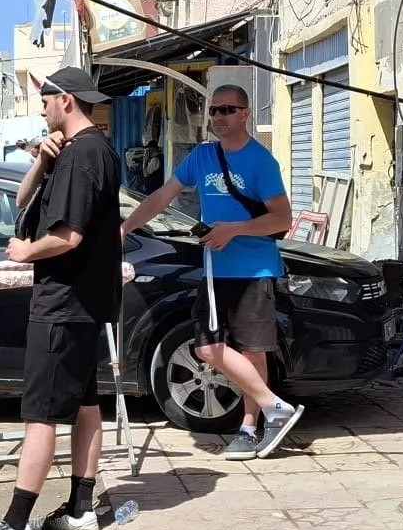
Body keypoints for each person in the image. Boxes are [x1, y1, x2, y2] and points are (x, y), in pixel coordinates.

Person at [0, 67, 123, 530]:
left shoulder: (83, 155)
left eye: (46, 100)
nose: (42, 108)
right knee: (85, 405)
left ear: (65, 100)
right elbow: (22, 200)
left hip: (64, 302)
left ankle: (15, 525)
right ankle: (80, 510)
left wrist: (25, 251)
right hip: (83, 303)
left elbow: (67, 236)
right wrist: (42, 161)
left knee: (41, 415)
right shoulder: (85, 151)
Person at [121, 84, 302, 458]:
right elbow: (162, 196)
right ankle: (275, 407)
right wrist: (125, 227)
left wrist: (233, 230)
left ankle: (250, 429)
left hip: (254, 269)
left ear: (245, 114)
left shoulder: (260, 161)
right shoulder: (202, 157)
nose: (219, 117)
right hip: (214, 270)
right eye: (214, 110)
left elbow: (282, 219)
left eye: (227, 110)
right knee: (208, 348)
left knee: (252, 351)